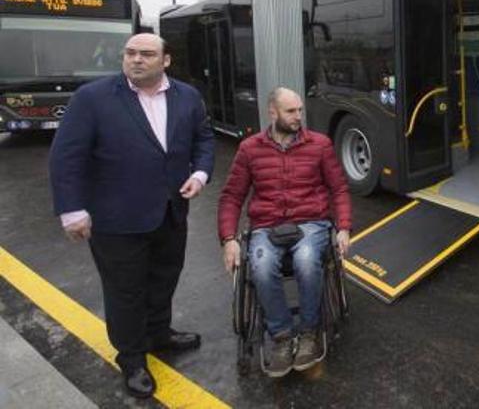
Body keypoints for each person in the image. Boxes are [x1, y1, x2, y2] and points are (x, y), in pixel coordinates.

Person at [48, 33, 214, 399]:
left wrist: (200, 174)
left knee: (164, 278)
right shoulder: (92, 99)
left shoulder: (187, 96)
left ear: (165, 60)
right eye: (130, 53)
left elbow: (203, 139)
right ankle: (133, 358)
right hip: (116, 219)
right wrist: (72, 209)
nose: (136, 59)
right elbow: (66, 157)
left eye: (147, 54)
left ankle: (158, 334)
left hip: (171, 211)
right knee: (126, 290)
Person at [217, 87, 352, 377]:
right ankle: (280, 337)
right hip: (267, 225)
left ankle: (308, 333)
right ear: (273, 112)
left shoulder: (320, 145)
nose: (298, 116)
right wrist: (228, 239)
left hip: (311, 221)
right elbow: (231, 197)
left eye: (300, 110)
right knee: (262, 266)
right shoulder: (250, 149)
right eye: (291, 111)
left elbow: (339, 188)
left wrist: (343, 228)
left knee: (306, 259)